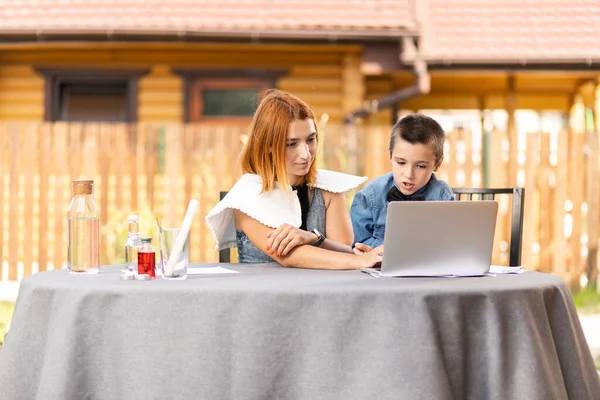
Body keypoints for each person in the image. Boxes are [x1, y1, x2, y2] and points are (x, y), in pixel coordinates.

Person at [206, 89, 382, 270]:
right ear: (267, 146)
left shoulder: (328, 189)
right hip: (261, 296)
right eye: (291, 144)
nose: (305, 154)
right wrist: (361, 260)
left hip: (321, 295)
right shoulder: (246, 196)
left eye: (310, 139)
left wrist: (315, 238)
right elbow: (288, 255)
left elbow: (344, 255)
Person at [350, 114, 454, 251]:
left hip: (428, 268)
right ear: (391, 156)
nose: (409, 174)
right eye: (401, 163)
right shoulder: (370, 195)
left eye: (421, 166)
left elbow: (448, 242)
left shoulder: (442, 194)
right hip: (379, 268)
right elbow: (358, 244)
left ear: (437, 164)